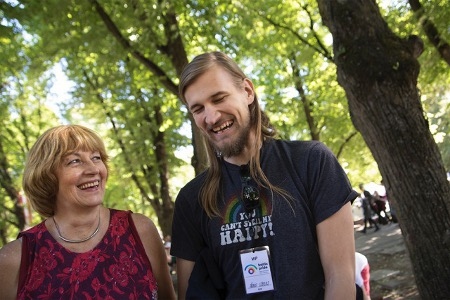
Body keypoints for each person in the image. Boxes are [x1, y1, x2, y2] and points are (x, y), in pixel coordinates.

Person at [171, 51, 359, 299]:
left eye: (219, 98)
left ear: (247, 91)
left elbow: (340, 275)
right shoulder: (191, 200)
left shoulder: (311, 162)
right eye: (198, 109)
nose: (212, 116)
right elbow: (190, 294)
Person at [0, 125, 176, 299]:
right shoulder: (14, 260)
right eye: (74, 161)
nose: (93, 170)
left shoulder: (140, 230)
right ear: (46, 176)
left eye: (96, 158)